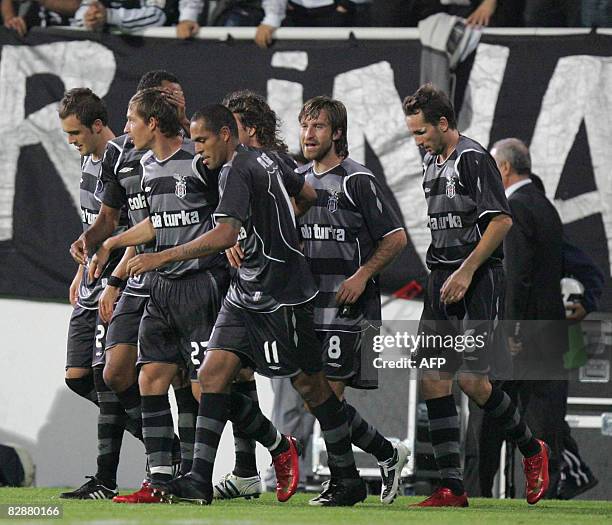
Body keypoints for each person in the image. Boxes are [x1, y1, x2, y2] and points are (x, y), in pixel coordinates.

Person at [128, 103, 367, 506]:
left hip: (281, 294)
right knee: (213, 372)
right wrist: (272, 232)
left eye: (201, 141)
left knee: (310, 386)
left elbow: (223, 235)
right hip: (248, 289)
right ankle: (198, 480)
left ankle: (349, 475)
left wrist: (160, 257)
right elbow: (305, 193)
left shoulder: (237, 168)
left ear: (226, 134)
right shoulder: (264, 158)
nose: (196, 150)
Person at [402, 84, 549, 507]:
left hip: (477, 278)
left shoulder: (473, 158)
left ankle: (530, 448)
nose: (418, 141)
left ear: (443, 124)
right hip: (440, 278)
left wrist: (467, 271)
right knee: (433, 377)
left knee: (471, 379)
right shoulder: (433, 160)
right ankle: (452, 487)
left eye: (420, 132)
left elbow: (501, 221)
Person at [69, 70, 193, 504]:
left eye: (131, 119)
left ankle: (246, 459)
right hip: (133, 275)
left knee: (202, 383)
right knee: (115, 373)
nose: (125, 128)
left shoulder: (191, 159)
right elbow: (113, 217)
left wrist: (117, 252)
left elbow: (172, 220)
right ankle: (160, 463)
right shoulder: (120, 156)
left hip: (181, 277)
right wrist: (97, 245)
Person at [297, 95, 411, 505]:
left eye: (319, 127)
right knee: (316, 399)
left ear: (337, 134)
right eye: (305, 126)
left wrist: (363, 275)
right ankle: (386, 452)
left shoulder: (356, 179)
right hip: (309, 305)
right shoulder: (297, 180)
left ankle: (345, 483)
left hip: (347, 305)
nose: (309, 134)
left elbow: (396, 238)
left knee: (329, 395)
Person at [474, 144, 601, 499]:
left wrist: (510, 329)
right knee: (543, 424)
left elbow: (516, 277)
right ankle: (548, 493)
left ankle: (476, 495)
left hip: (520, 336)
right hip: (550, 335)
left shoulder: (512, 209)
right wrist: (587, 300)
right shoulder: (547, 208)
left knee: (488, 420)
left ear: (503, 168)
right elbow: (586, 269)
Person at [58, 87, 139, 500]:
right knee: (77, 378)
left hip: (117, 284)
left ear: (97, 125)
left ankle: (105, 479)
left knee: (109, 381)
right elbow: (94, 225)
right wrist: (79, 270)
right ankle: (166, 443)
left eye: (76, 134)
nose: (71, 142)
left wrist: (114, 275)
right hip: (89, 280)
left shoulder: (124, 158)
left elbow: (129, 225)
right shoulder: (90, 162)